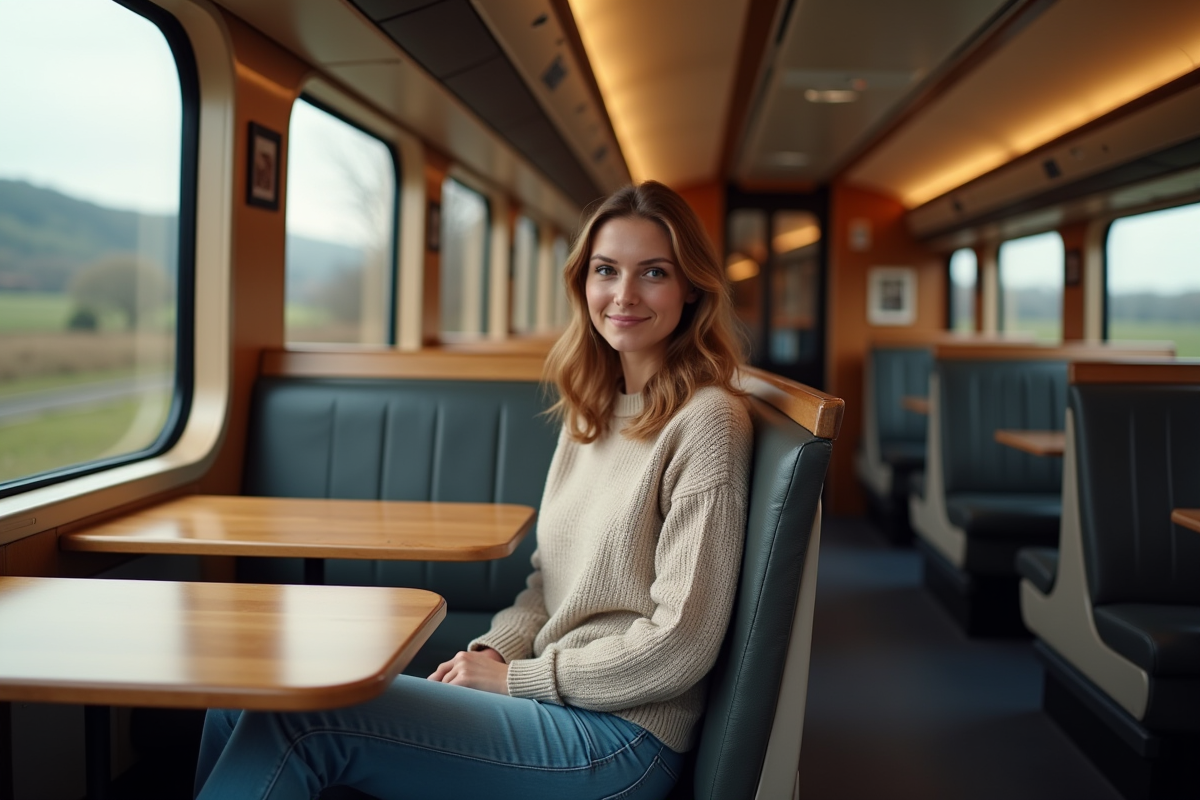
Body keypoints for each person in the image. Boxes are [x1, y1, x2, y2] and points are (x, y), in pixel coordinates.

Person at [193, 180, 752, 800]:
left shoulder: (707, 422)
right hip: (558, 699)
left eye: (653, 273)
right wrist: (487, 653)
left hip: (625, 737)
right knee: (247, 697)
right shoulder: (591, 411)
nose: (623, 294)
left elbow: (680, 645)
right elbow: (547, 584)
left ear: (691, 289)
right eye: (605, 270)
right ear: (583, 284)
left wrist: (517, 680)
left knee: (299, 722)